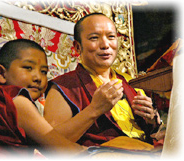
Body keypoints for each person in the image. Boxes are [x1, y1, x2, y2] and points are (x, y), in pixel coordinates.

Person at [44, 13, 162, 146]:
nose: (105, 45)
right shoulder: (65, 86)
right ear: (77, 47)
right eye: (94, 38)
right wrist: (94, 109)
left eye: (111, 37)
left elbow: (150, 132)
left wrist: (152, 119)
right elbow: (51, 143)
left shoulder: (130, 82)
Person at [0, 39, 89, 158]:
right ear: (1, 74)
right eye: (28, 68)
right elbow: (62, 149)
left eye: (43, 72)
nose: (38, 77)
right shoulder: (17, 101)